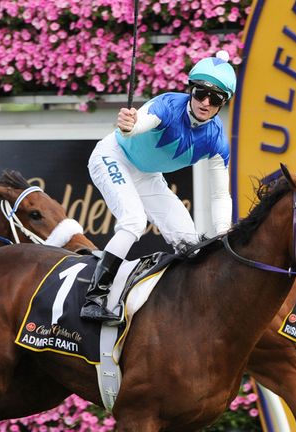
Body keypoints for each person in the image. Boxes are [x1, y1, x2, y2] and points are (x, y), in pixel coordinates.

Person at [81, 50, 236, 322]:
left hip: (148, 175)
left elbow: (220, 194)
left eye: (215, 99)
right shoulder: (167, 104)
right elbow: (139, 124)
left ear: (223, 103)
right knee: (134, 221)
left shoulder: (217, 140)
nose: (205, 102)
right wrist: (129, 126)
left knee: (191, 243)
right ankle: (94, 296)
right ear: (190, 90)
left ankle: (186, 302)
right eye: (200, 93)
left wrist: (223, 233)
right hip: (112, 156)